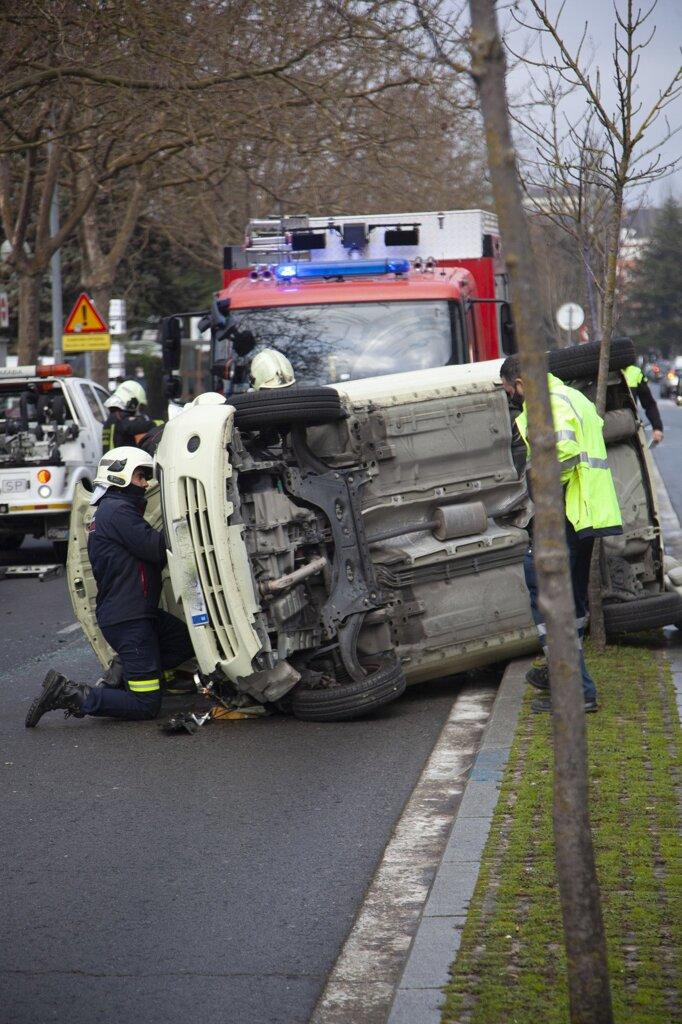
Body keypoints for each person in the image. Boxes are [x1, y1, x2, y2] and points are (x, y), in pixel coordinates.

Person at [25, 447, 196, 727]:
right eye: (140, 476)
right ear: (120, 477)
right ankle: (71, 694)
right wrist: (186, 519)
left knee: (184, 643)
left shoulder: (113, 510)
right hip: (129, 619)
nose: (145, 484)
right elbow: (155, 548)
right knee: (146, 704)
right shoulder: (117, 512)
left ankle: (122, 670)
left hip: (137, 614)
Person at [499, 354, 623, 714]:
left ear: (521, 384)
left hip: (566, 512)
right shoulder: (573, 397)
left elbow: (564, 453)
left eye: (511, 392)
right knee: (573, 601)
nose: (513, 398)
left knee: (545, 589)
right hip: (588, 513)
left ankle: (577, 691)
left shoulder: (547, 405)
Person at [101, 380, 153, 451]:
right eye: (140, 407)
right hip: (119, 460)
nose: (139, 412)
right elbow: (134, 426)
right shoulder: (120, 418)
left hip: (111, 459)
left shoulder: (112, 418)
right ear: (132, 402)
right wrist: (160, 423)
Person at [622, 364, 663, 444]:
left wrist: (657, 428)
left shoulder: (635, 372)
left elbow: (649, 404)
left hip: (631, 431)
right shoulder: (594, 369)